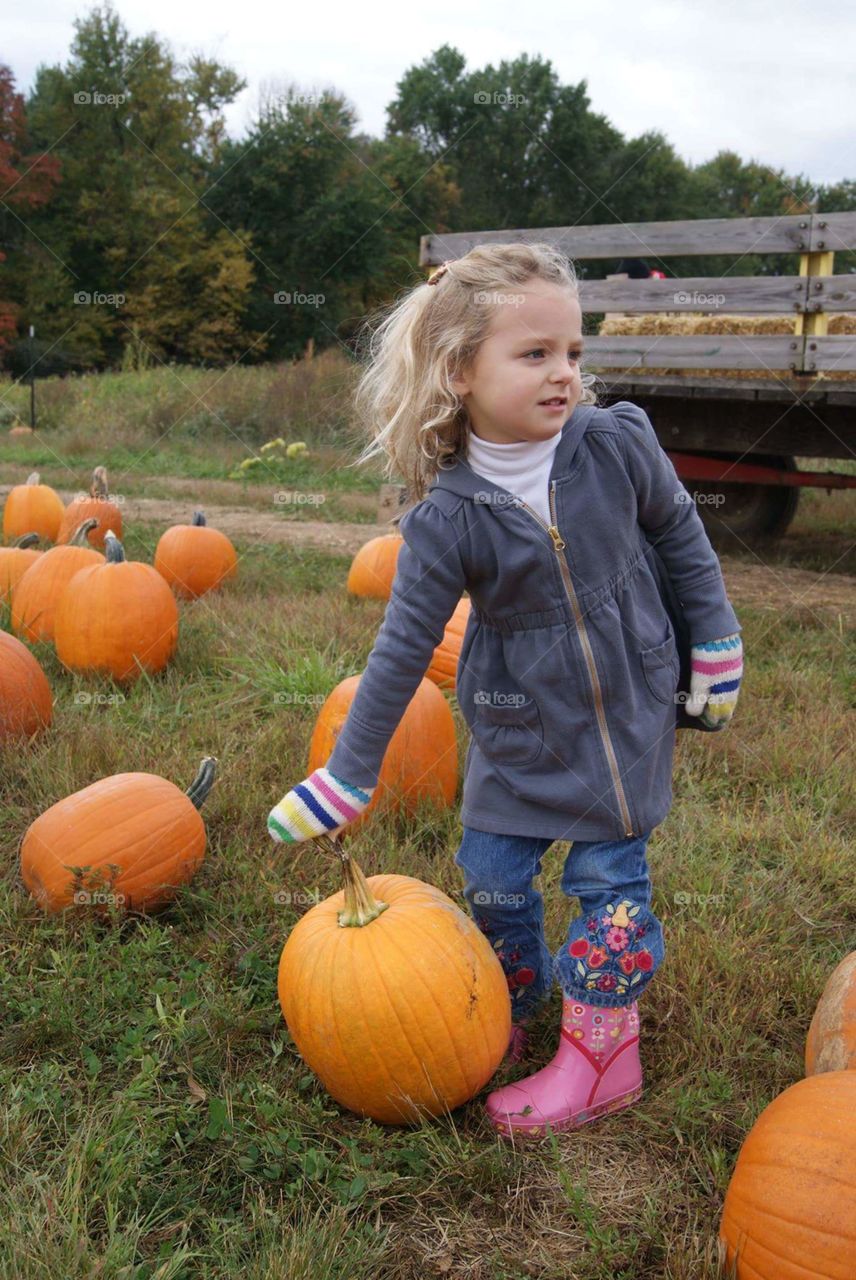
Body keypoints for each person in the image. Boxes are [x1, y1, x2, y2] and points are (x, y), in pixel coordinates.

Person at [267, 243, 743, 1139]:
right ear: (459, 373)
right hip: (516, 729)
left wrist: (714, 643)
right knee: (491, 877)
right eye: (534, 355)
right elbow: (402, 648)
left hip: (623, 719)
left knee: (611, 886)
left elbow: (682, 535)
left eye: (572, 351)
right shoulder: (447, 515)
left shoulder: (614, 445)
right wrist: (347, 775)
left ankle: (604, 1053)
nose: (564, 374)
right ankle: (508, 1013)